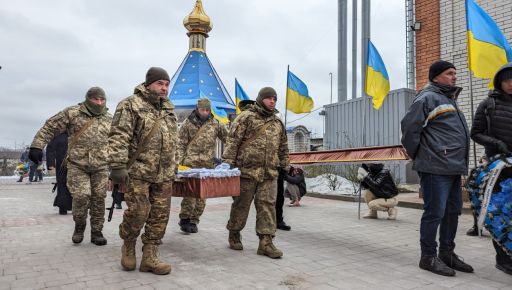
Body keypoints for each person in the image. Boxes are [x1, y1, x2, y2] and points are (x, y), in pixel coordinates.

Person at [401, 60, 474, 276]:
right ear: (436, 77)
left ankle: (447, 253)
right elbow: (409, 129)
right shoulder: (427, 97)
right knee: (434, 213)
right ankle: (428, 257)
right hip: (435, 167)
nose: (454, 76)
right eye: (450, 73)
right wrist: (421, 155)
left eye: (455, 73)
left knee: (452, 212)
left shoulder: (448, 99)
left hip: (452, 167)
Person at [109, 67, 177, 275]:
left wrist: (175, 166)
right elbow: (119, 136)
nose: (164, 88)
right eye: (160, 84)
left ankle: (150, 257)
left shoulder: (168, 109)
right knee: (138, 212)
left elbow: (174, 140)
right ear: (149, 84)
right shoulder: (130, 105)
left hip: (164, 174)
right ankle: (128, 245)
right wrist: (118, 167)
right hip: (137, 172)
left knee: (159, 217)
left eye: (166, 84)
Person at [29, 87, 111, 246]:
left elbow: (118, 141)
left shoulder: (109, 118)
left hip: (100, 166)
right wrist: (37, 145)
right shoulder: (73, 113)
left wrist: (118, 165)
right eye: (96, 99)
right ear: (88, 99)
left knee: (99, 198)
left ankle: (96, 232)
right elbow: (50, 126)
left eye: (102, 100)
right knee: (81, 196)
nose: (99, 103)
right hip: (77, 164)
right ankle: (79, 226)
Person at [223, 87, 290, 259]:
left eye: (274, 99)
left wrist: (285, 165)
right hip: (246, 171)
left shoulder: (277, 123)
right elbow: (233, 141)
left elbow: (283, 147)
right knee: (241, 205)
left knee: (267, 206)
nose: (272, 101)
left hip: (269, 173)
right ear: (260, 99)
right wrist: (228, 163)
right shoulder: (246, 117)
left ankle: (266, 242)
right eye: (269, 98)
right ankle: (234, 232)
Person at [470, 63, 512, 275]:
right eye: (507, 80)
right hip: (498, 167)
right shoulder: (489, 104)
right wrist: (496, 143)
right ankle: (503, 258)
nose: (511, 84)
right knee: (499, 212)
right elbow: (475, 132)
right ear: (500, 82)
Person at [177, 98, 228, 233]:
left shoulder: (216, 124)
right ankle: (185, 219)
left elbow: (228, 139)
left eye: (207, 110)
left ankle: (194, 220)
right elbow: (180, 144)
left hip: (207, 166)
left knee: (202, 197)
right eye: (202, 109)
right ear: (197, 109)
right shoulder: (188, 123)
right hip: (190, 165)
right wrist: (179, 162)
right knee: (190, 195)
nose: (205, 112)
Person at [46, 132, 72, 215]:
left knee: (76, 186)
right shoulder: (58, 136)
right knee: (62, 185)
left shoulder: (78, 133)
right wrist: (51, 164)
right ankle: (63, 207)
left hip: (77, 165)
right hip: (62, 165)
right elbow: (50, 149)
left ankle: (76, 207)